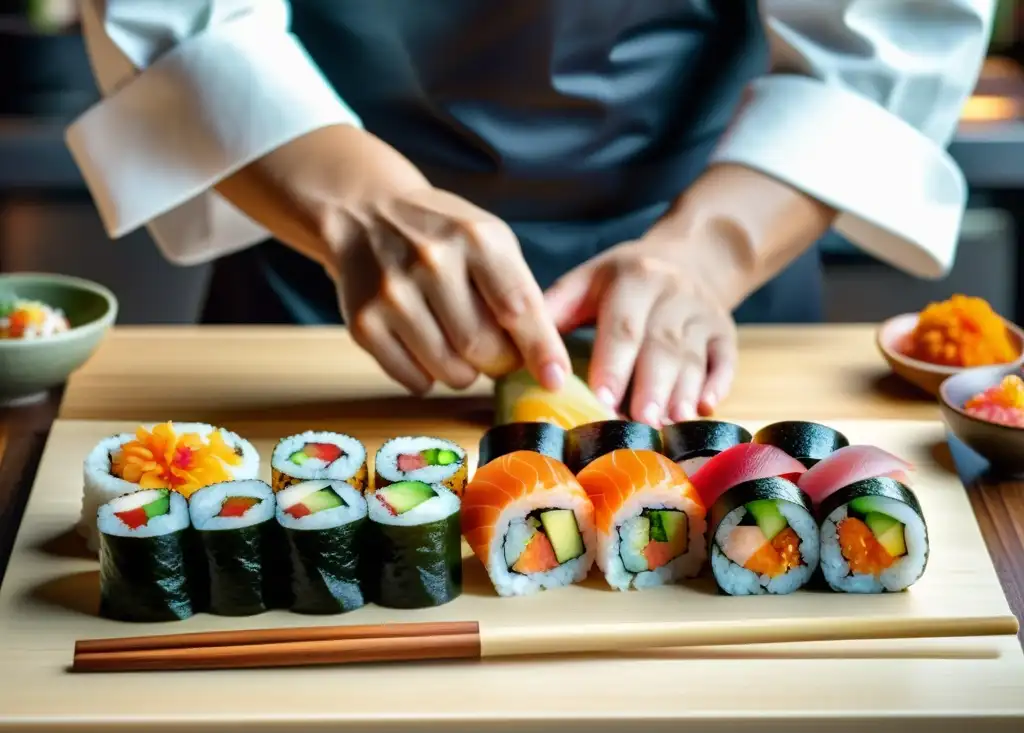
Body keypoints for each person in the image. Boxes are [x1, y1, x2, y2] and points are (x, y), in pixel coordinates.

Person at [67, 1, 993, 426]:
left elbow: (889, 31)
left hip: (720, 273)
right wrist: (357, 205)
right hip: (318, 270)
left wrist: (706, 254)